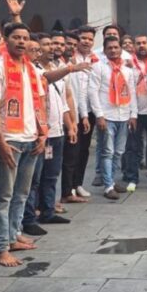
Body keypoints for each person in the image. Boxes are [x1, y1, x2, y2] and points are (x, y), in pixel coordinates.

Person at [0, 22, 47, 267]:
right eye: (16, 37)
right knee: (4, 196)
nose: (21, 41)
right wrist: (0, 140)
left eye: (25, 38)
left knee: (21, 194)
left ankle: (13, 235)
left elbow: (40, 103)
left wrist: (43, 133)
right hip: (10, 139)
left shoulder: (32, 69)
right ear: (6, 39)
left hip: (31, 137)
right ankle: (1, 247)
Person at [24, 33, 77, 226]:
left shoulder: (56, 69)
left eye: (51, 44)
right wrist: (70, 68)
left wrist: (70, 126)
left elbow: (62, 102)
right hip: (40, 133)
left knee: (51, 175)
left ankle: (48, 211)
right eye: (45, 45)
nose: (51, 48)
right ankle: (30, 217)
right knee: (34, 178)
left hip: (57, 132)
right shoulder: (34, 71)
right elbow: (46, 79)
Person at [89, 34, 138, 199]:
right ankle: (108, 186)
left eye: (116, 47)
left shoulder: (127, 69)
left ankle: (111, 179)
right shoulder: (98, 67)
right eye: (109, 48)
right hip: (107, 116)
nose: (113, 50)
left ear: (121, 49)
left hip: (124, 115)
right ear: (104, 50)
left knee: (119, 151)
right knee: (108, 152)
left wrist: (133, 114)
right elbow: (93, 92)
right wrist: (99, 115)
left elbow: (132, 93)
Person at [60, 25, 96, 202]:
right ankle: (68, 190)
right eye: (83, 38)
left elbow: (84, 91)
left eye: (90, 39)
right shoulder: (67, 63)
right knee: (71, 153)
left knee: (83, 151)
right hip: (68, 113)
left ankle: (77, 184)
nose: (86, 42)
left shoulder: (95, 58)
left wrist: (85, 116)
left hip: (86, 110)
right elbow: (71, 93)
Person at [123, 34, 147, 190]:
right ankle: (132, 178)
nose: (141, 46)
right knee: (133, 146)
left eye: (144, 43)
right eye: (138, 43)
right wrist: (132, 113)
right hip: (135, 111)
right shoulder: (128, 62)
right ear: (134, 46)